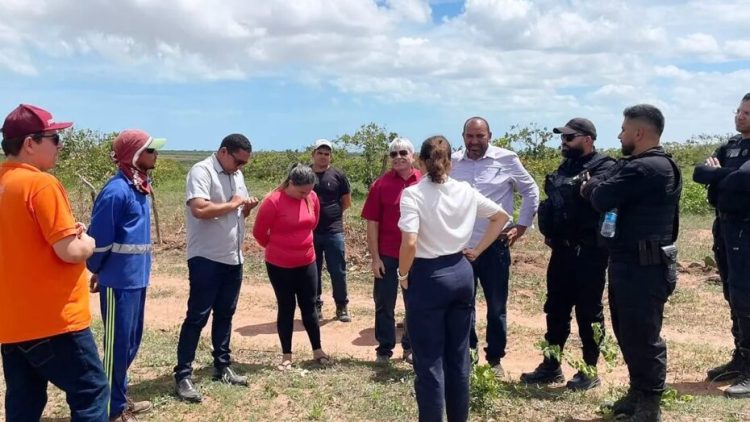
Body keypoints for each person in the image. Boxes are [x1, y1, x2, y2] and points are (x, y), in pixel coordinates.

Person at [0, 104, 109, 421]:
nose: (60, 145)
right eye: (55, 137)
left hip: (12, 321)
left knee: (24, 401)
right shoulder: (41, 184)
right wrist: (87, 241)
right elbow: (70, 252)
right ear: (30, 143)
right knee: (91, 392)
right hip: (54, 320)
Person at [398, 135, 509, 422]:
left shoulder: (413, 194)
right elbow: (501, 217)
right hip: (461, 271)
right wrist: (478, 250)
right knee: (458, 358)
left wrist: (402, 274)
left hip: (427, 274)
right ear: (450, 162)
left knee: (429, 362)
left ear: (421, 161)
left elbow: (409, 243)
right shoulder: (466, 191)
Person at [581, 104, 681, 421]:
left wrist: (589, 186)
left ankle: (650, 404)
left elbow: (600, 197)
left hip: (645, 266)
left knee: (643, 335)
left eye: (624, 129)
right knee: (628, 332)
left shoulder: (647, 168)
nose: (620, 135)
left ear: (638, 133)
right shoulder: (643, 165)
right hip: (630, 262)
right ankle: (638, 393)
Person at [521, 118, 615, 390]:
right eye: (563, 138)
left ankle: (589, 369)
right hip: (561, 251)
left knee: (589, 312)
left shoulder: (606, 167)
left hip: (589, 252)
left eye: (569, 137)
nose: (564, 142)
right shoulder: (565, 168)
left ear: (587, 139)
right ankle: (551, 365)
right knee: (556, 309)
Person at [451, 116, 540, 375]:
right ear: (463, 135)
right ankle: (468, 354)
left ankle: (495, 359)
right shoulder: (454, 162)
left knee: (496, 306)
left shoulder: (507, 159)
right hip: (463, 247)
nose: (474, 141)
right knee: (463, 303)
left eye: (480, 136)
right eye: (470, 136)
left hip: (495, 246)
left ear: (489, 135)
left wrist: (522, 225)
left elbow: (531, 191)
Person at [174, 134, 259, 403]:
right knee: (197, 316)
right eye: (238, 161)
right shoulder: (202, 171)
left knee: (225, 313)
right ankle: (183, 374)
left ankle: (222, 366)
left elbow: (236, 211)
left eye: (245, 163)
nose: (241, 167)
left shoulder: (236, 176)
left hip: (233, 258)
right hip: (206, 257)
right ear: (224, 152)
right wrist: (234, 204)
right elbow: (199, 209)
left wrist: (246, 209)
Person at [87, 129, 165, 420]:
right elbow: (101, 240)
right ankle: (110, 408)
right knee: (117, 346)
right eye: (150, 150)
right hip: (119, 283)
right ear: (134, 155)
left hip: (137, 279)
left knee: (130, 343)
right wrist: (98, 270)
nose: (155, 155)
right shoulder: (116, 191)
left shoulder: (139, 187)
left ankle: (118, 399)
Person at [693, 92, 750, 397]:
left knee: (746, 294)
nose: (740, 116)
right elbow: (699, 173)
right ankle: (740, 358)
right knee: (732, 292)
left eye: (747, 113)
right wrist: (721, 175)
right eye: (739, 111)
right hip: (725, 225)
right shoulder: (731, 145)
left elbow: (745, 181)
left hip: (747, 227)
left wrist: (719, 174)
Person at [253, 164, 331, 370]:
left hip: (307, 261)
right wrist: (280, 247)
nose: (306, 195)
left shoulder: (311, 197)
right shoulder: (273, 202)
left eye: (309, 190)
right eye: (301, 191)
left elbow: (312, 224)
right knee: (286, 307)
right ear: (290, 183)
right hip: (280, 265)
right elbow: (259, 233)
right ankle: (286, 355)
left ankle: (317, 349)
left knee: (310, 307)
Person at [361, 138, 421, 364]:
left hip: (416, 254)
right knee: (384, 303)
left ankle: (410, 347)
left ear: (412, 156)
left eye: (403, 152)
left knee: (414, 303)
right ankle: (384, 349)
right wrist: (375, 257)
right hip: (387, 254)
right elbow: (372, 223)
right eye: (393, 154)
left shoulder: (424, 182)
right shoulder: (381, 185)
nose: (398, 157)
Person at [310, 139, 353, 322]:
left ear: (330, 156)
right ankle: (315, 306)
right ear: (313, 154)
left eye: (327, 154)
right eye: (320, 153)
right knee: (313, 271)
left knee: (338, 270)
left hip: (334, 231)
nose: (323, 157)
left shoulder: (338, 175)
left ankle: (341, 306)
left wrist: (332, 215)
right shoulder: (305, 174)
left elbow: (346, 201)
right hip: (310, 231)